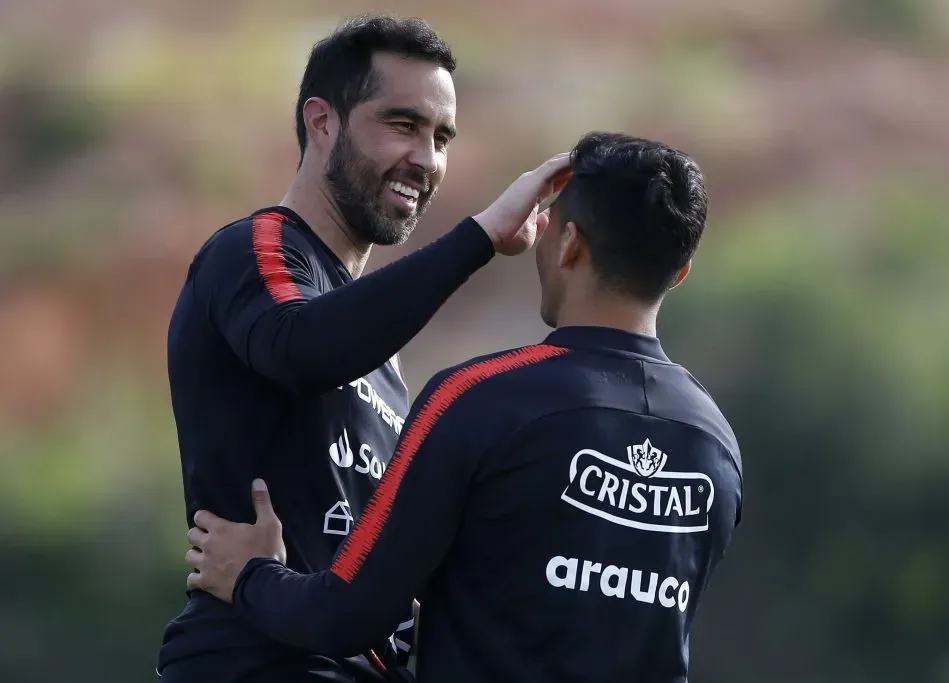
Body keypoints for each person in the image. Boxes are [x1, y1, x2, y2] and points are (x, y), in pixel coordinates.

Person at [184, 132, 744, 683]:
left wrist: (250, 575)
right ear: (680, 273)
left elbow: (345, 616)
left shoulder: (479, 399)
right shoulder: (716, 445)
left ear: (571, 243)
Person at [157, 14, 571, 683]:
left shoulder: (375, 345)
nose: (427, 159)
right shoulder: (255, 249)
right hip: (256, 661)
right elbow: (301, 348)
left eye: (441, 137)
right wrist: (479, 237)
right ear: (321, 122)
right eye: (403, 125)